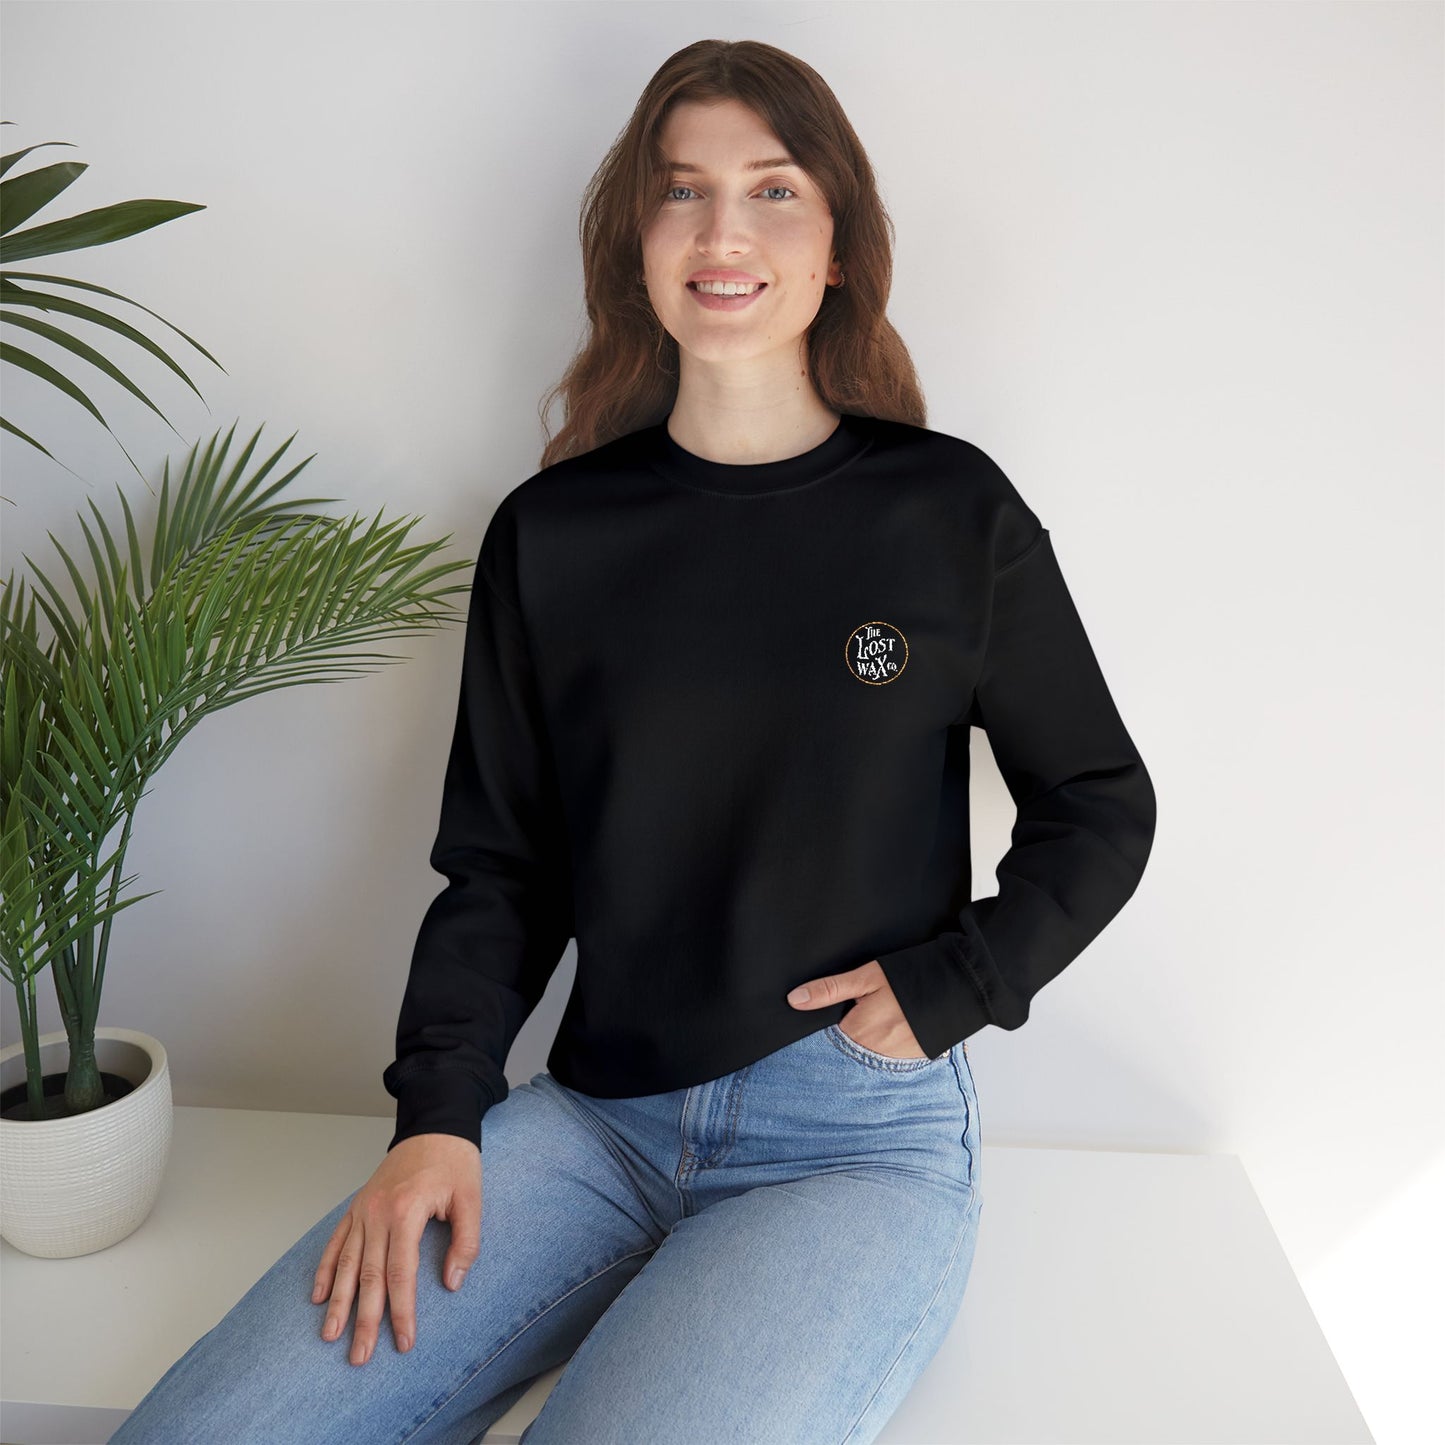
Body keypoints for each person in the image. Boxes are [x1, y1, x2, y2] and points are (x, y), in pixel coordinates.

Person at [111, 38, 1156, 1445]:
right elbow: (500, 864)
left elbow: (1098, 799)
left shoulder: (945, 513)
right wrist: (438, 1112)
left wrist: (960, 977)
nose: (723, 232)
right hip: (591, 1121)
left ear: (837, 242)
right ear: (636, 242)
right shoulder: (555, 533)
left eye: (772, 191)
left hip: (847, 1142)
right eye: (681, 192)